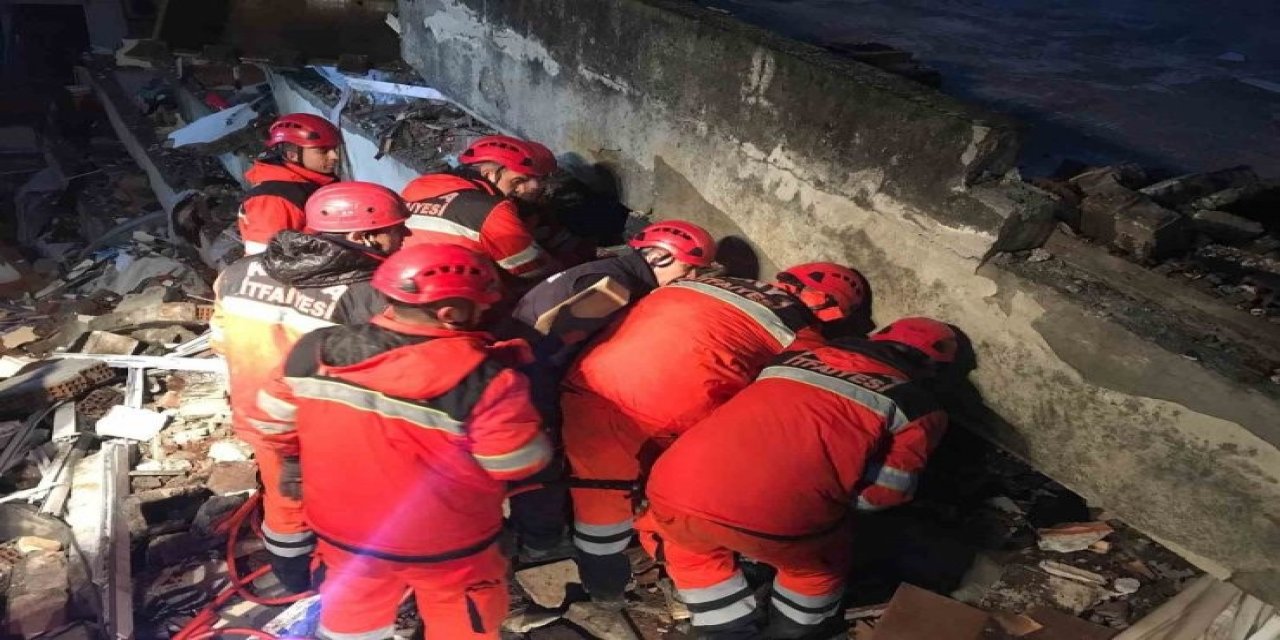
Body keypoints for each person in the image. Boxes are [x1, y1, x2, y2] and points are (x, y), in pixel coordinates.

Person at [249, 243, 552, 640]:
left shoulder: (315, 350)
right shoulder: (488, 379)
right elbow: (514, 462)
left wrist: (299, 461)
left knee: (351, 623)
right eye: (479, 306)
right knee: (462, 623)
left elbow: (269, 424)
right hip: (449, 545)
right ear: (451, 313)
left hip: (343, 533)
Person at [561, 262, 868, 607]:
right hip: (661, 415)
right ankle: (677, 577)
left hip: (587, 381)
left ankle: (604, 586)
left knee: (596, 498)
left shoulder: (707, 283)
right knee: (672, 509)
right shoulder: (803, 339)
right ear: (830, 311)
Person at [637, 318, 957, 639]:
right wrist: (831, 496)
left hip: (673, 486)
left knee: (692, 553)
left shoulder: (797, 357)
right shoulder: (920, 408)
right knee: (815, 570)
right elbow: (883, 495)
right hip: (778, 517)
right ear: (933, 370)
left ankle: (721, 629)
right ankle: (793, 631)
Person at [210, 181, 407, 592]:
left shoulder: (236, 273)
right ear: (361, 236)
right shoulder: (368, 296)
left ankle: (296, 584)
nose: (404, 235)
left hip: (261, 415)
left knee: (284, 506)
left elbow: (220, 341)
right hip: (327, 429)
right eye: (396, 227)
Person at [500, 220, 718, 562]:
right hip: (528, 382)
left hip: (518, 369)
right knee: (541, 464)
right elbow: (555, 349)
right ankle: (540, 543)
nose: (689, 279)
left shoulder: (610, 271)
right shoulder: (613, 288)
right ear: (659, 257)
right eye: (687, 269)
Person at [400, 135, 559, 280]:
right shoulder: (492, 211)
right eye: (518, 181)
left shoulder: (416, 186)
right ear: (488, 173)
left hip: (404, 282)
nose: (530, 188)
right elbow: (538, 272)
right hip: (458, 299)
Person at [237, 113, 343, 254]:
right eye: (323, 150)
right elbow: (265, 261)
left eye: (334, 149)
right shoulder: (273, 199)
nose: (334, 156)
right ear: (292, 154)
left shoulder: (311, 182)